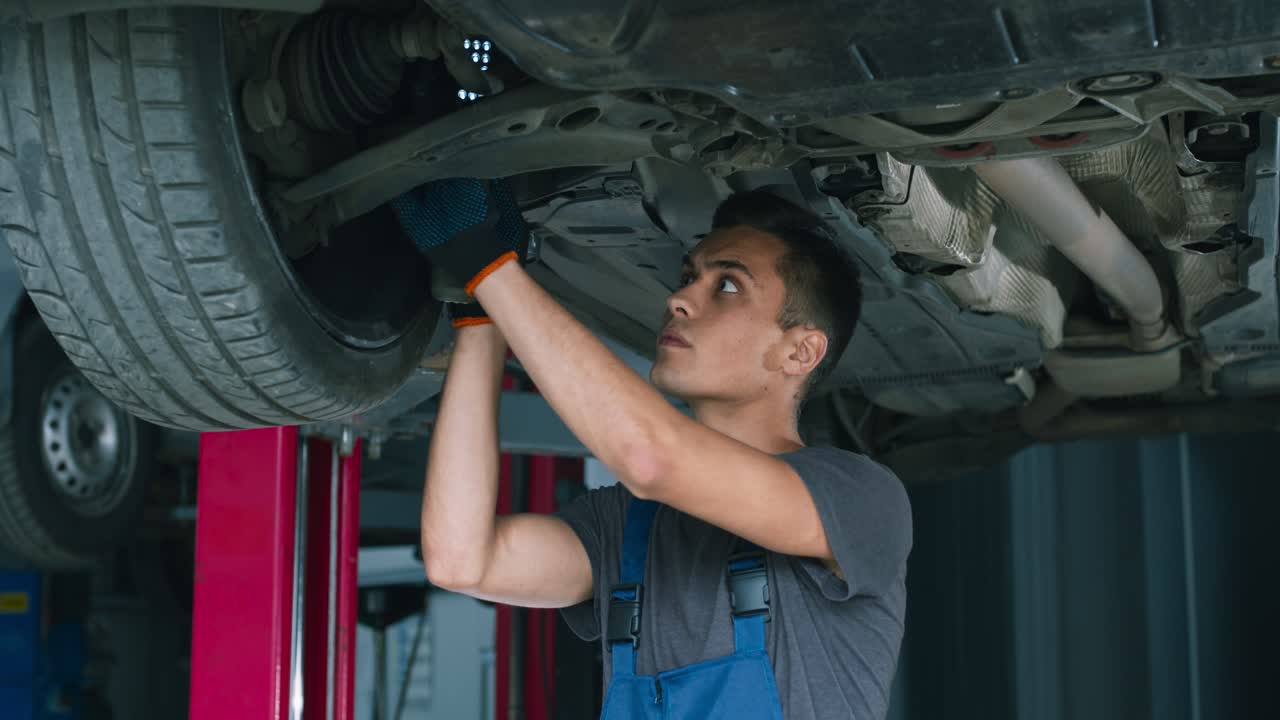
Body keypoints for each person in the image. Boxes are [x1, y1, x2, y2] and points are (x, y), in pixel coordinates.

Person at [391, 180, 913, 720]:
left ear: (800, 352)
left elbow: (651, 458)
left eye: (727, 285)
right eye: (688, 277)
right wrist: (479, 313)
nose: (678, 300)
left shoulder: (859, 499)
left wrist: (492, 269)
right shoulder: (625, 526)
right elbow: (461, 560)